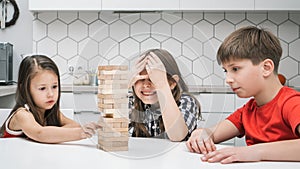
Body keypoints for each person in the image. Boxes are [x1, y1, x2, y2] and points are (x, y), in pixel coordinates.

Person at [186, 26, 300, 163]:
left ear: (266, 68)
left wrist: (256, 152)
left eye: (235, 69)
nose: (228, 79)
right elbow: (212, 133)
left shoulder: (292, 103)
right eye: (226, 71)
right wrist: (201, 134)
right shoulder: (248, 110)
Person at [0, 55, 99, 143]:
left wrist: (52, 134)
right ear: (24, 89)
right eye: (42, 88)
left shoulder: (51, 112)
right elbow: (40, 133)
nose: (51, 94)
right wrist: (81, 133)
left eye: (54, 86)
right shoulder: (22, 115)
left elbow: (75, 126)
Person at [128, 49, 201, 142]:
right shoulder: (131, 102)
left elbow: (178, 136)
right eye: (141, 79)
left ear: (172, 83)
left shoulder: (186, 101)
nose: (146, 85)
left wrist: (162, 85)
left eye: (153, 79)